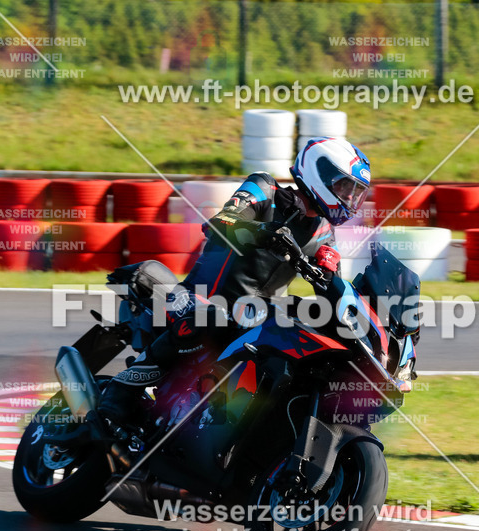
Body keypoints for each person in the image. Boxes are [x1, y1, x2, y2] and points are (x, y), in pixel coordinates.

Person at [60, 137, 371, 452]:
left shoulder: (325, 235)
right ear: (320, 173)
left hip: (252, 321)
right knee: (210, 317)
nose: (349, 197)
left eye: (355, 192)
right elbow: (222, 222)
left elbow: (332, 291)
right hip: (199, 298)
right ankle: (118, 394)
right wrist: (262, 233)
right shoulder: (265, 189)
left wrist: (341, 294)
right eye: (346, 187)